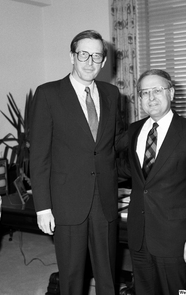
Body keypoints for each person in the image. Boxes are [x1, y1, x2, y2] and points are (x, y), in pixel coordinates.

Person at [29, 30, 125, 295]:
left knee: (107, 274)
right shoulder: (48, 94)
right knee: (71, 277)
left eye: (96, 56)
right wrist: (43, 207)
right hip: (66, 201)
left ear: (104, 62)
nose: (89, 61)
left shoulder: (112, 93)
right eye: (83, 54)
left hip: (105, 200)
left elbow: (114, 143)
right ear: (72, 56)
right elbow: (39, 156)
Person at [123, 69, 186, 294]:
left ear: (171, 93)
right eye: (145, 92)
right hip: (138, 233)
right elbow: (123, 170)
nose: (151, 97)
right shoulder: (134, 130)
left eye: (157, 90)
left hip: (175, 236)